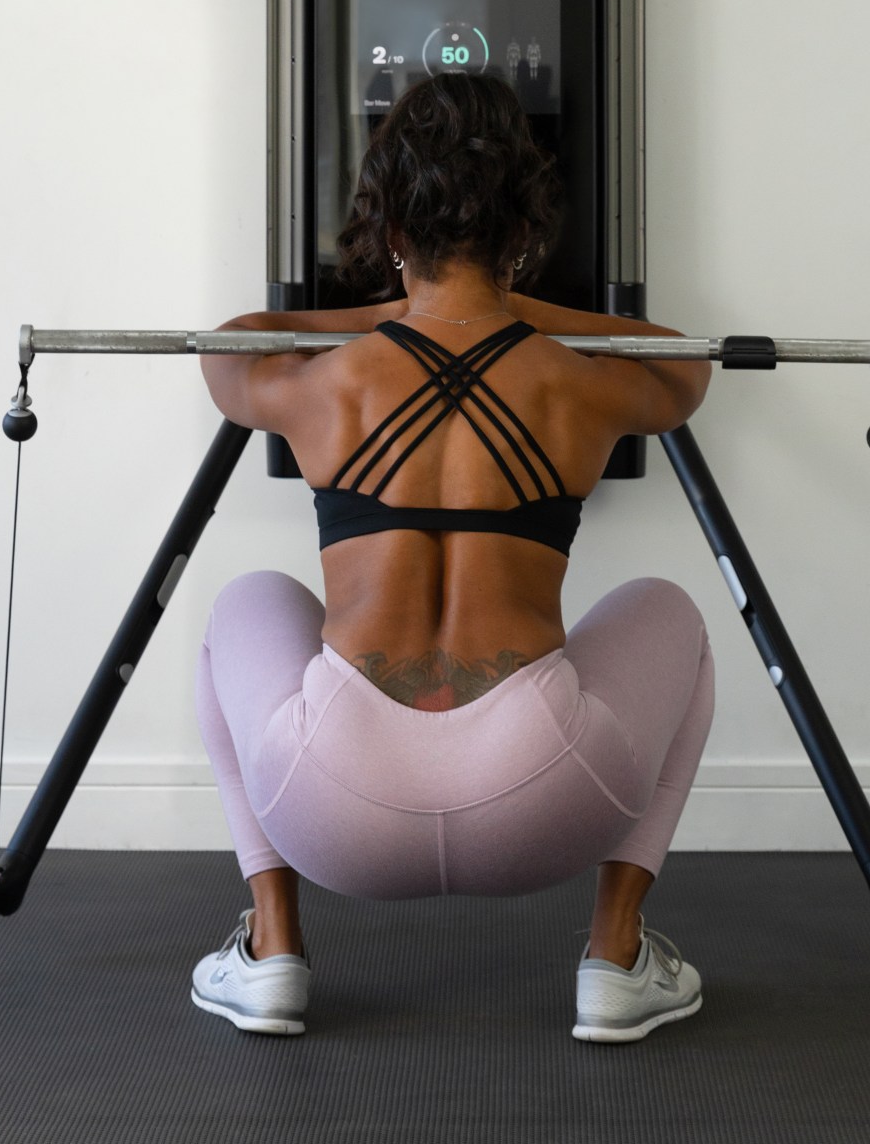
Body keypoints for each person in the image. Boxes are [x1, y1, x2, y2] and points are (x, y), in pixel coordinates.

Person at [191, 73, 716, 1043]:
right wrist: (515, 315)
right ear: (521, 228)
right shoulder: (574, 382)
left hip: (336, 809)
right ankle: (615, 957)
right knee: (674, 614)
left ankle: (272, 947)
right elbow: (685, 362)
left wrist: (383, 320)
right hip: (543, 800)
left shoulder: (326, 384)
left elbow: (227, 350)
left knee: (241, 608)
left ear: (393, 230)